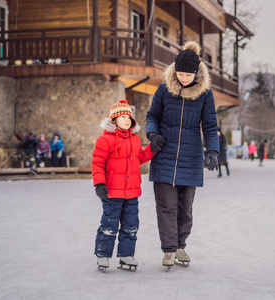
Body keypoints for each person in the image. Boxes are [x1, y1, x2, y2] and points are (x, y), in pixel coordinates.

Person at [145, 40, 219, 269]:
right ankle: (168, 250)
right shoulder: (163, 89)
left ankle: (180, 246)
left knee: (185, 208)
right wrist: (152, 134)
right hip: (164, 156)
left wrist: (214, 150)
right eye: (180, 73)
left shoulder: (204, 95)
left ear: (196, 73)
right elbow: (152, 116)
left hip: (191, 158)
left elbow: (210, 125)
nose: (184, 78)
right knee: (166, 206)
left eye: (188, 74)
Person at [92, 99, 164, 272]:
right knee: (109, 224)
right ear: (113, 120)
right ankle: (103, 254)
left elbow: (140, 159)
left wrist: (152, 149)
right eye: (122, 116)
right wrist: (99, 183)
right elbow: (97, 163)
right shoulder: (105, 140)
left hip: (132, 193)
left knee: (131, 225)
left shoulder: (135, 139)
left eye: (128, 117)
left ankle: (126, 255)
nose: (126, 119)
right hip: (112, 193)